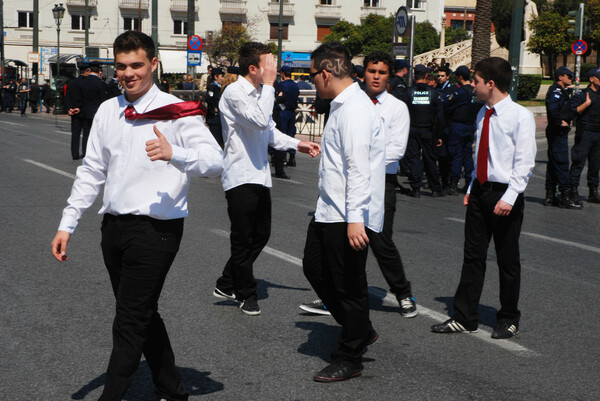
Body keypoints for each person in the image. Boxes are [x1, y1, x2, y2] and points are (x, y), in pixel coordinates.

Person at [50, 30, 223, 400]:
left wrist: (174, 152)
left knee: (129, 320)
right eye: (122, 66)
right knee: (141, 313)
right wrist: (68, 223)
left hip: (157, 232)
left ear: (154, 64)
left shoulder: (177, 112)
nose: (128, 74)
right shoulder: (108, 111)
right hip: (112, 229)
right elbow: (91, 170)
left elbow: (215, 163)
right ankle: (173, 389)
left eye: (137, 65)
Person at [300, 51, 415, 318]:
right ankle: (339, 301)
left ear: (390, 76)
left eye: (382, 72)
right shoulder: (348, 102)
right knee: (341, 257)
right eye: (372, 71)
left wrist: (366, 157)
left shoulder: (395, 108)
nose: (376, 77)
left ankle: (402, 293)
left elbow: (394, 150)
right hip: (353, 184)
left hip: (378, 181)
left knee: (380, 244)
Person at [431, 57, 536, 339]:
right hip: (479, 192)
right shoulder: (482, 113)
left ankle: (508, 317)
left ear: (491, 84)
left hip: (504, 195)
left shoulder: (519, 116)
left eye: (476, 81)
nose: (472, 85)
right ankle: (465, 317)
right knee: (472, 256)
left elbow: (524, 163)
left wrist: (510, 197)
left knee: (507, 259)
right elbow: (481, 156)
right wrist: (470, 189)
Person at [213, 42, 320, 316]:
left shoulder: (262, 93)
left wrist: (298, 144)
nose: (273, 69)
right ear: (253, 68)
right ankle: (246, 293)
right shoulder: (234, 93)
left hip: (259, 176)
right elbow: (260, 121)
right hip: (239, 176)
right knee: (242, 238)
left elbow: (269, 132)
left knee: (261, 234)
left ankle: (226, 281)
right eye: (268, 65)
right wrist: (271, 86)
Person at [302, 42, 385, 382]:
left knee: (350, 286)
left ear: (325, 72)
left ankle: (350, 355)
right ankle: (361, 329)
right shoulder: (342, 105)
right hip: (330, 208)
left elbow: (358, 168)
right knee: (315, 268)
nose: (312, 83)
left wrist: (355, 219)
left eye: (312, 76)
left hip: (348, 214)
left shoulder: (353, 110)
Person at [401, 64, 445, 198]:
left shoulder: (408, 92)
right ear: (426, 76)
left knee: (414, 158)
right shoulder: (434, 93)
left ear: (414, 76)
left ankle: (415, 189)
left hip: (412, 129)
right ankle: (435, 189)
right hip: (428, 130)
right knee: (430, 159)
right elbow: (440, 116)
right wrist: (439, 135)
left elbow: (402, 113)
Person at [441, 65, 483, 195]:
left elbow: (446, 105)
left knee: (456, 155)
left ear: (459, 77)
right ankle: (469, 182)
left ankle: (453, 183)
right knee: (467, 155)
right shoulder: (475, 92)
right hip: (471, 126)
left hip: (458, 126)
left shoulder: (459, 92)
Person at [566, 67, 600, 208]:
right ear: (592, 79)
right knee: (578, 162)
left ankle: (593, 191)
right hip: (585, 133)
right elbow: (571, 111)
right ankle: (573, 191)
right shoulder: (582, 95)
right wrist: (586, 104)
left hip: (598, 133)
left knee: (595, 164)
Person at [544, 66, 574, 207]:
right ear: (560, 77)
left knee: (553, 163)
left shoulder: (562, 91)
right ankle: (564, 196)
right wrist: (559, 122)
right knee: (561, 163)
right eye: (569, 76)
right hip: (557, 132)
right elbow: (552, 109)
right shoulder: (556, 91)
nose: (571, 78)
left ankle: (550, 195)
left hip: (556, 131)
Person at [79, 62, 109, 158]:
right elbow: (103, 99)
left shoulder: (83, 81)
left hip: (84, 111)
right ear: (99, 71)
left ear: (89, 70)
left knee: (86, 134)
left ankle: (85, 153)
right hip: (97, 112)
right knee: (97, 135)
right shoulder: (100, 83)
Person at [65, 64, 90, 160]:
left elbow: (67, 97)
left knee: (75, 134)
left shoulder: (71, 82)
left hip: (73, 112)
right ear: (87, 71)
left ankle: (74, 154)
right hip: (83, 111)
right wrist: (80, 107)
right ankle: (85, 153)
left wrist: (69, 108)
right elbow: (86, 98)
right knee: (86, 134)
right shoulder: (86, 83)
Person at [278, 65, 300, 167]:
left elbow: (279, 98)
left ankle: (282, 158)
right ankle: (292, 157)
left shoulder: (281, 85)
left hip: (283, 111)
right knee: (291, 134)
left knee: (282, 134)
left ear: (282, 73)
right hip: (292, 111)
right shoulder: (295, 85)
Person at [205, 67, 225, 148]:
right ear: (216, 77)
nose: (223, 79)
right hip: (214, 117)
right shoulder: (213, 87)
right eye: (221, 76)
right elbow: (208, 98)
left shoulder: (219, 87)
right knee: (216, 140)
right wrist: (213, 108)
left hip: (219, 117)